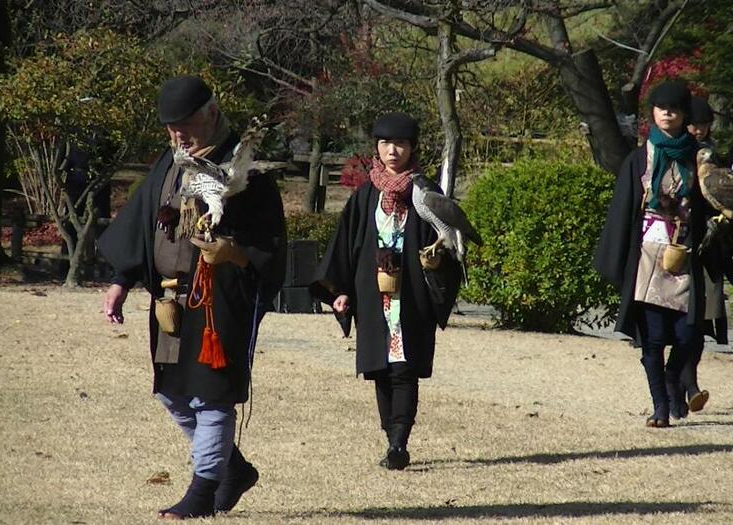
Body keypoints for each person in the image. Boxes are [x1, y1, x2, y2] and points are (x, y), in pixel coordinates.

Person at [98, 75, 286, 519]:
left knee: (211, 395)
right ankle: (233, 469)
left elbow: (270, 245)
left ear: (212, 113)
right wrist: (121, 281)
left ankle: (201, 494)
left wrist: (234, 252)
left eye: (184, 126)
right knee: (172, 393)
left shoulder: (247, 171)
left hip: (219, 298)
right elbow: (142, 221)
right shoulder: (171, 161)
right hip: (169, 300)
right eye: (170, 129)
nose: (177, 136)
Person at [310, 112, 461, 470]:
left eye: (401, 145)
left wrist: (435, 262)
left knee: (404, 369)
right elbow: (346, 247)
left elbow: (447, 245)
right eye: (385, 144)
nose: (393, 151)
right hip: (373, 294)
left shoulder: (427, 193)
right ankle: (389, 436)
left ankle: (399, 443)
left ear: (412, 148)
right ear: (376, 148)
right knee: (380, 368)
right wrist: (340, 291)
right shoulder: (364, 196)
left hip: (412, 295)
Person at [594, 81, 706, 428]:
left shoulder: (699, 157)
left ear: (684, 113)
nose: (667, 112)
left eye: (674, 108)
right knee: (653, 337)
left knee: (689, 336)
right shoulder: (640, 158)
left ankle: (675, 377)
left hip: (684, 253)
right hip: (646, 253)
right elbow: (624, 210)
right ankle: (660, 408)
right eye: (661, 107)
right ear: (653, 113)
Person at [679, 96, 733, 416]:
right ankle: (677, 383)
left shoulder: (715, 159)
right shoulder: (673, 154)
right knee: (677, 323)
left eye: (704, 123)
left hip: (708, 251)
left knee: (698, 322)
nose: (698, 129)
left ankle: (689, 384)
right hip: (676, 247)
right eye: (693, 123)